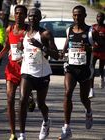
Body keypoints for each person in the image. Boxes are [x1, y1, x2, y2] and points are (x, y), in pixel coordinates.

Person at [18, 8, 59, 140]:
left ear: (40, 18)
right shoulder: (24, 33)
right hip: (27, 72)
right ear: (27, 18)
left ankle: (46, 121)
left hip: (42, 74)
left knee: (41, 104)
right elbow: (24, 51)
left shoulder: (45, 34)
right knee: (22, 100)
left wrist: (41, 46)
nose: (32, 18)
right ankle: (22, 135)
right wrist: (19, 50)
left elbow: (56, 55)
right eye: (30, 16)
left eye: (35, 16)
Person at [58, 5, 93, 140]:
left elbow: (100, 45)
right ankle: (66, 128)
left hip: (84, 69)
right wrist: (62, 51)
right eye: (75, 15)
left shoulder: (90, 31)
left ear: (84, 16)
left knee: (84, 98)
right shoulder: (69, 30)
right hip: (71, 67)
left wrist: (90, 48)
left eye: (79, 15)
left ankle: (88, 112)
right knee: (67, 93)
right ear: (72, 16)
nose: (77, 17)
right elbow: (67, 44)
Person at [0, 5, 28, 140]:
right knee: (9, 100)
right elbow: (8, 46)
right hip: (12, 69)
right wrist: (0, 55)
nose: (18, 15)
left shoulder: (28, 31)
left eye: (21, 13)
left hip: (26, 69)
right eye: (16, 13)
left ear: (25, 16)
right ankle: (13, 133)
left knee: (22, 101)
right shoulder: (9, 29)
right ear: (14, 15)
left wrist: (25, 57)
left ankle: (22, 132)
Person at [88, 12, 105, 98]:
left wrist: (100, 41)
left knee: (101, 69)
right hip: (94, 52)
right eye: (98, 16)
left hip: (103, 52)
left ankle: (102, 78)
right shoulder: (93, 27)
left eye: (101, 17)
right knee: (92, 69)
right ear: (96, 18)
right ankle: (91, 90)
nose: (99, 18)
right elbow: (89, 38)